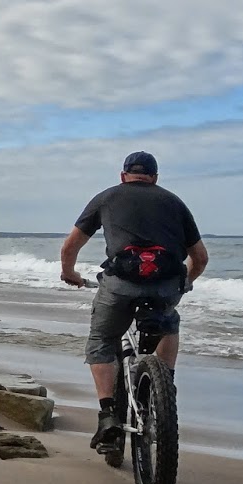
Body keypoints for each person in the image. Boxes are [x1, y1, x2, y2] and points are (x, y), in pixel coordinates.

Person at [59, 151, 208, 452]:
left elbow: (70, 247)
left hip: (121, 285)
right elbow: (200, 258)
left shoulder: (107, 197)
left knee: (102, 338)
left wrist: (69, 273)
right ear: (154, 177)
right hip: (165, 286)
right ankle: (166, 385)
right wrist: (184, 284)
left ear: (123, 175)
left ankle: (106, 417)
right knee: (169, 324)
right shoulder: (174, 202)